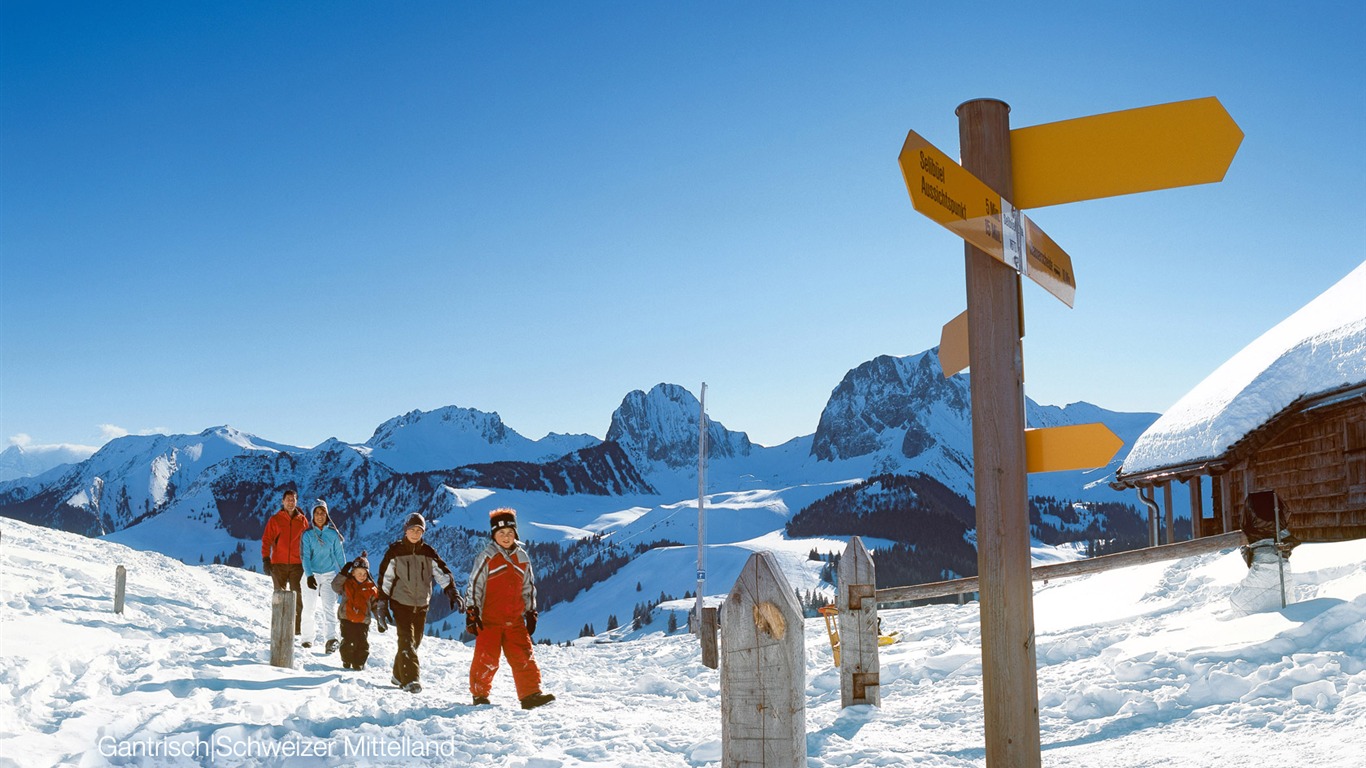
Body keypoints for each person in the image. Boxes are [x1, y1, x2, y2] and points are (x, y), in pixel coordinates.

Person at [466, 508, 554, 710]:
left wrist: (531, 611)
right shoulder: (487, 557)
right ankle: (480, 695)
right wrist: (472, 612)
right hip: (489, 620)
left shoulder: (522, 557)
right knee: (486, 659)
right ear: (494, 536)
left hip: (515, 620)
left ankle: (530, 695)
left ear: (515, 534)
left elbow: (528, 586)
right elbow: (475, 585)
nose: (506, 537)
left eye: (510, 533)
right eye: (501, 533)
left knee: (523, 656)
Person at [375, 513, 462, 693]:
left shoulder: (428, 552)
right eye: (412, 529)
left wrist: (452, 592)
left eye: (419, 530)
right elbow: (386, 579)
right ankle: (411, 680)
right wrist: (382, 604)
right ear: (405, 530)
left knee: (414, 642)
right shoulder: (395, 552)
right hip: (400, 603)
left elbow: (442, 573)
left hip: (422, 604)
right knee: (406, 640)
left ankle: (398, 675)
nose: (415, 533)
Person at [300, 499, 345, 652]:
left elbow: (340, 556)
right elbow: (305, 556)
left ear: (327, 515)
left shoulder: (333, 534)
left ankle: (331, 639)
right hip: (310, 574)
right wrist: (309, 575)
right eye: (317, 513)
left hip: (329, 575)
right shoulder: (307, 535)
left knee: (329, 608)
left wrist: (344, 574)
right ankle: (307, 640)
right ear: (313, 515)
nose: (320, 516)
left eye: (322, 513)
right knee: (309, 607)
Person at [260, 489, 308, 635]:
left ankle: (296, 628)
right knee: (279, 596)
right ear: (282, 501)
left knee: (297, 596)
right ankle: (278, 626)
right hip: (278, 564)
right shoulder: (275, 519)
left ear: (296, 501)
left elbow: (307, 542)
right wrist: (266, 559)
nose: (290, 502)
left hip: (297, 565)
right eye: (288, 499)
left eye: (293, 499)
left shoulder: (303, 520)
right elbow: (266, 539)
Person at [332, 550, 385, 670]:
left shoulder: (371, 588)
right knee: (348, 642)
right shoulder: (346, 583)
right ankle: (346, 660)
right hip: (347, 618)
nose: (362, 576)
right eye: (359, 573)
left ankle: (358, 663)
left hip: (362, 621)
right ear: (353, 573)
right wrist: (343, 574)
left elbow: (376, 606)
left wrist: (380, 621)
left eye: (364, 573)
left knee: (362, 644)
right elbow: (335, 586)